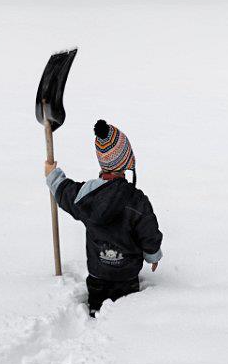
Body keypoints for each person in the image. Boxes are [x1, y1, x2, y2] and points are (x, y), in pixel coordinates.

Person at [44, 119, 163, 316]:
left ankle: (94, 313)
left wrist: (52, 174)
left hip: (97, 274)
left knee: (97, 303)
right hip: (127, 277)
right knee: (126, 313)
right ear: (126, 162)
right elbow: (148, 232)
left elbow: (64, 193)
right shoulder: (137, 201)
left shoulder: (86, 195)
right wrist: (152, 255)